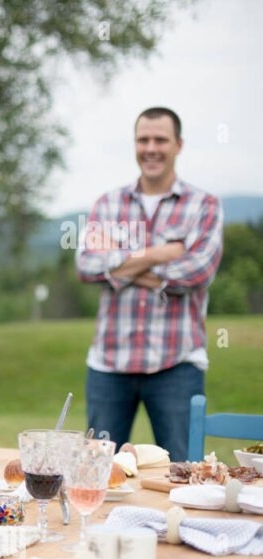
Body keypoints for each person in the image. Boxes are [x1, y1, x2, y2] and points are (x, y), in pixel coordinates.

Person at [76, 107, 223, 461]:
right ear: (135, 144)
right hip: (109, 364)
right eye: (144, 139)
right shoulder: (108, 204)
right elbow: (86, 265)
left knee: (183, 476)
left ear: (178, 145)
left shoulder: (204, 205)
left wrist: (122, 264)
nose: (151, 148)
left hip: (177, 364)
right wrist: (162, 253)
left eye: (161, 139)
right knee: (98, 474)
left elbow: (196, 273)